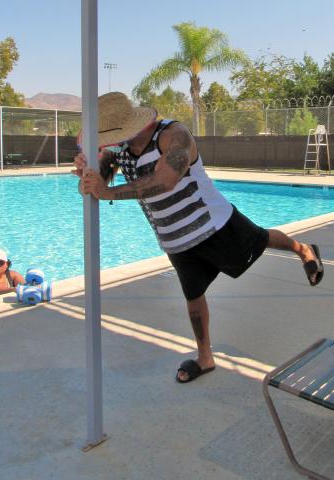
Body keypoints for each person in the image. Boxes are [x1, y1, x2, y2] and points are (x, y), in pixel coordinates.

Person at [73, 91, 324, 384]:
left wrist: (109, 192)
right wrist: (86, 174)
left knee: (261, 239)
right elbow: (92, 188)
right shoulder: (120, 151)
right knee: (193, 298)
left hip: (214, 224)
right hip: (174, 238)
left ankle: (303, 249)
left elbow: (166, 180)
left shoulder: (173, 135)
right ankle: (205, 357)